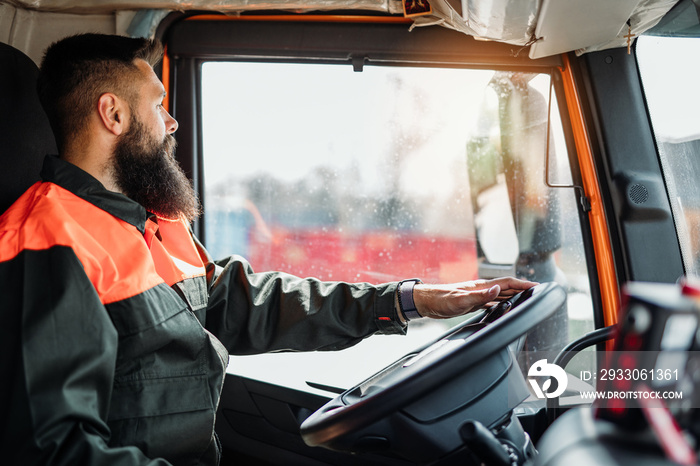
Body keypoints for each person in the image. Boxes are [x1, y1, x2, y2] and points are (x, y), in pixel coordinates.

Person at [0, 33, 536, 465]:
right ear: (113, 115)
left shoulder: (153, 221)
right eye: (159, 105)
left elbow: (240, 304)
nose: (172, 122)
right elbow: (52, 448)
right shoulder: (47, 237)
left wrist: (410, 300)